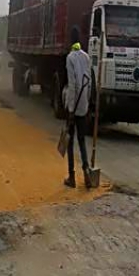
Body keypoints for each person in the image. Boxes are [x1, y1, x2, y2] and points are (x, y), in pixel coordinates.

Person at [64, 29, 92, 189]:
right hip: (84, 105)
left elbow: (73, 84)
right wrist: (86, 104)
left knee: (69, 141)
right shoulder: (86, 57)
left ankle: (72, 177)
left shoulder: (71, 58)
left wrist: (71, 109)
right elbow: (88, 83)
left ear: (70, 40)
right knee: (82, 140)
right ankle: (86, 170)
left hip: (74, 105)